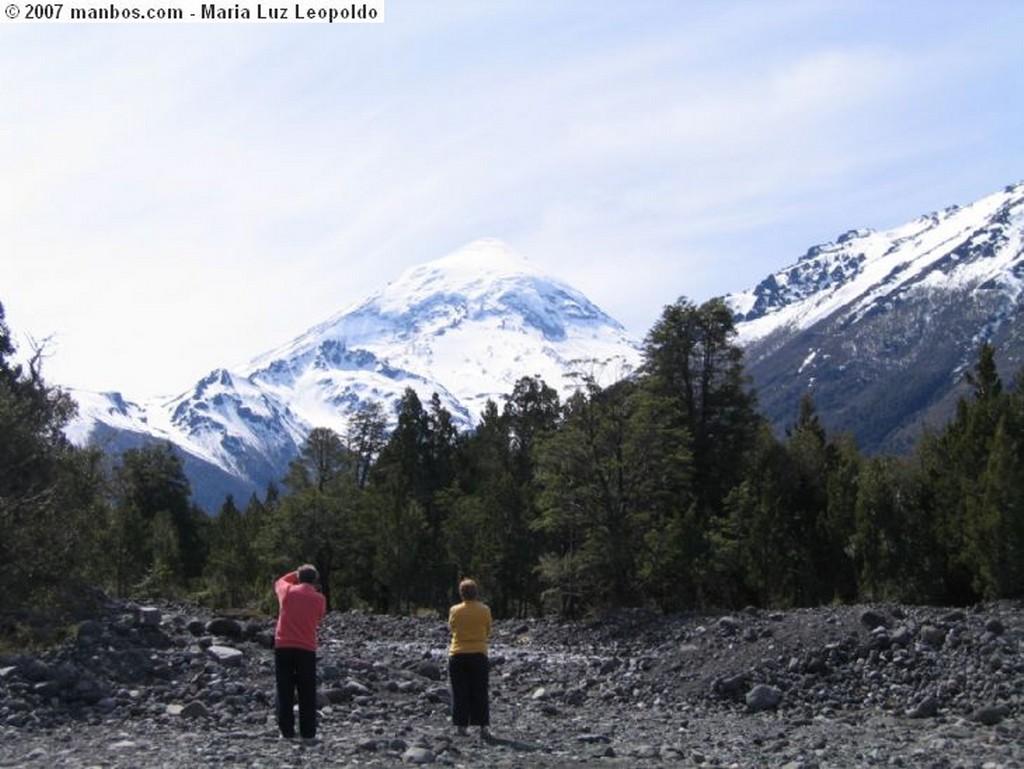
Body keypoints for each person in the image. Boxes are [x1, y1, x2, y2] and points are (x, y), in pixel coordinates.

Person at [274, 564, 327, 740]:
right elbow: (320, 616)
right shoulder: (319, 598)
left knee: (284, 689)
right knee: (306, 691)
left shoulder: (287, 591)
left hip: (283, 646)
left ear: (299, 577)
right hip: (306, 648)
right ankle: (308, 732)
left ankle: (286, 731)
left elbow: (280, 581)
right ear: (315, 580)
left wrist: (295, 575)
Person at [447, 578, 492, 739]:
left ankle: (461, 726)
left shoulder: (455, 610)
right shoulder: (485, 609)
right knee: (480, 691)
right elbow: (488, 630)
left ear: (461, 593)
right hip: (479, 654)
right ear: (476, 592)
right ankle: (483, 727)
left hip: (457, 654)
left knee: (460, 692)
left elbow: (452, 628)